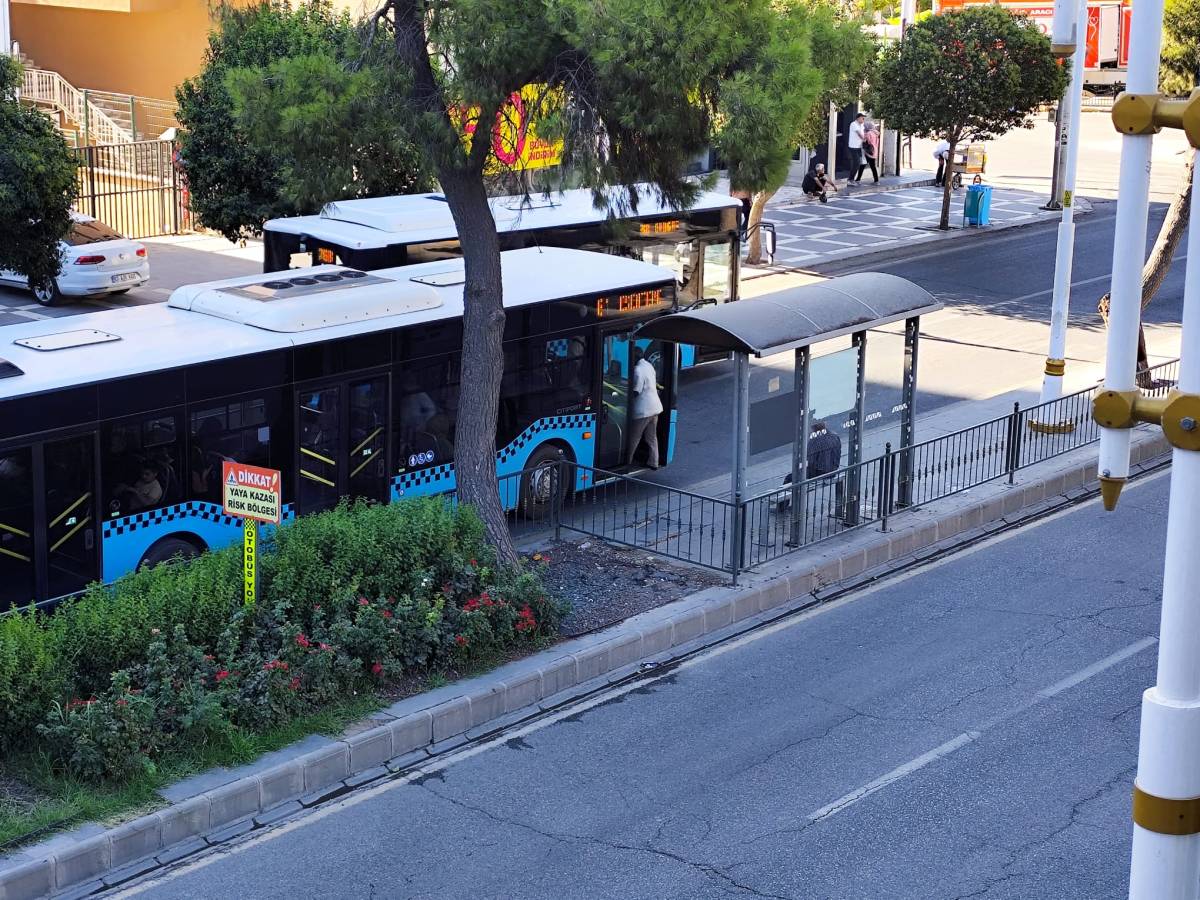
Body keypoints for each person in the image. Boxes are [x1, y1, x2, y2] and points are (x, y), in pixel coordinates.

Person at [628, 346, 663, 469]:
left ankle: (627, 461)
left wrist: (624, 400)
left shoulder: (637, 370)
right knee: (651, 437)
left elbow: (636, 391)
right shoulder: (648, 365)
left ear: (635, 357)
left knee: (634, 436)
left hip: (644, 410)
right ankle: (654, 462)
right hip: (655, 407)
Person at [848, 112, 866, 182]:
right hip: (853, 147)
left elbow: (864, 132)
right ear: (858, 118)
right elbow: (859, 134)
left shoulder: (861, 125)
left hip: (859, 147)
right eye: (862, 118)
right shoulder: (853, 124)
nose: (863, 120)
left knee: (858, 163)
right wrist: (864, 139)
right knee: (857, 163)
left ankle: (852, 179)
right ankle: (850, 179)